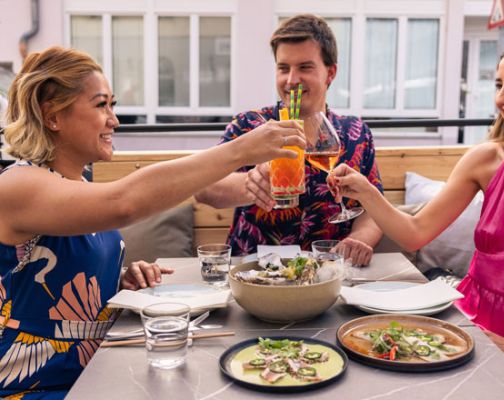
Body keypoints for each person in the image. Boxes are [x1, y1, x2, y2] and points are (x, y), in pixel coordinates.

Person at [0, 46, 304, 399]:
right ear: (52, 116)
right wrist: (240, 151)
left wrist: (117, 280)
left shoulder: (77, 185)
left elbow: (64, 273)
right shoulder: (16, 185)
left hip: (94, 376)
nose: (114, 119)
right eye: (101, 105)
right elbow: (124, 203)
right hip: (38, 388)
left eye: (112, 105)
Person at [329, 34, 504, 399]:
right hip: (463, 329)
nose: (502, 98)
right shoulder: (485, 159)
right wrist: (366, 191)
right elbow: (414, 233)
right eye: (499, 84)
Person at [194, 14, 383, 266]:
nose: (291, 80)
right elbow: (204, 189)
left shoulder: (355, 133)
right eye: (283, 68)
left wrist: (359, 239)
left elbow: (373, 208)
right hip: (254, 273)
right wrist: (250, 183)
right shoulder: (249, 125)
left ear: (331, 73)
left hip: (328, 273)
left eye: (305, 67)